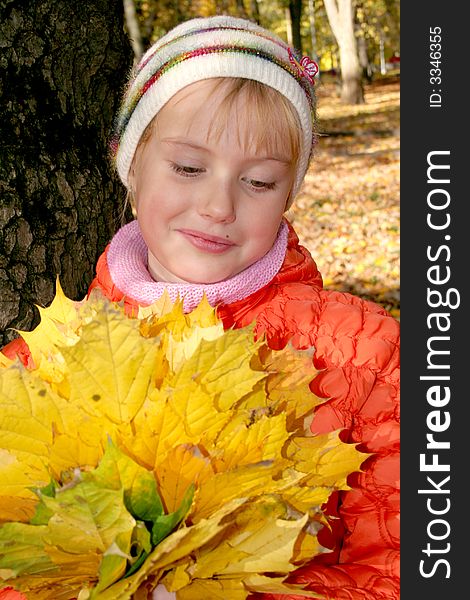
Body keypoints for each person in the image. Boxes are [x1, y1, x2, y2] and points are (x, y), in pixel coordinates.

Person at [2, 15, 400, 600]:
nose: (217, 206)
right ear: (130, 167)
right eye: (188, 168)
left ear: (289, 192)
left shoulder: (368, 356)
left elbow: (405, 564)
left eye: (259, 181)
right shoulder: (36, 368)